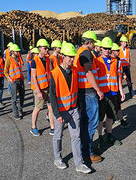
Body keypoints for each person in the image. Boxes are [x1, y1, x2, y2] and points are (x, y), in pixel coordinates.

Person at [50, 42, 91, 174]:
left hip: (73, 109)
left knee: (76, 136)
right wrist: (57, 114)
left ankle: (79, 164)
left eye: (73, 57)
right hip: (61, 111)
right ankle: (57, 158)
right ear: (62, 56)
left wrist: (78, 107)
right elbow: (52, 96)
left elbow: (77, 90)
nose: (72, 59)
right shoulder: (55, 73)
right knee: (58, 135)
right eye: (70, 57)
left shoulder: (74, 70)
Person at [74, 30, 103, 163]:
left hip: (81, 92)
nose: (94, 46)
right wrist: (98, 90)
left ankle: (84, 148)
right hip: (88, 92)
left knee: (85, 122)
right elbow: (88, 73)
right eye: (93, 43)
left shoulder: (79, 52)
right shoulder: (87, 54)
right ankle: (88, 151)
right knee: (93, 121)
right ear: (90, 42)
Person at [96, 37, 125, 149]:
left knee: (111, 117)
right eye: (105, 48)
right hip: (102, 95)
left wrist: (121, 91)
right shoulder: (96, 61)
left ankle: (109, 135)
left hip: (113, 93)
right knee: (100, 118)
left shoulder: (116, 62)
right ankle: (99, 137)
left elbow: (118, 78)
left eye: (109, 49)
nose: (107, 50)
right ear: (101, 49)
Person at [30, 38, 54, 136]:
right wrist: (39, 91)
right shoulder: (34, 61)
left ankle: (52, 127)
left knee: (51, 107)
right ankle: (33, 127)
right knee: (38, 108)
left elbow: (50, 72)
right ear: (39, 49)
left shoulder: (48, 59)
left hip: (48, 87)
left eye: (47, 48)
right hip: (39, 89)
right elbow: (34, 77)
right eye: (45, 48)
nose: (47, 50)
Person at [111, 43, 130, 129]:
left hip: (117, 87)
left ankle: (120, 120)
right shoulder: (111, 61)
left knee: (118, 105)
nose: (119, 52)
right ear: (112, 51)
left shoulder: (118, 60)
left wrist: (124, 76)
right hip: (111, 88)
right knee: (113, 106)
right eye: (117, 50)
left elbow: (120, 73)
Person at [4, 44, 25, 120]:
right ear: (12, 52)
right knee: (14, 99)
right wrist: (10, 79)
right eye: (17, 51)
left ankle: (20, 109)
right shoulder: (8, 59)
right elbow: (5, 72)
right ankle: (16, 114)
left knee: (22, 96)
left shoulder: (18, 58)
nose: (18, 52)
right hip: (14, 81)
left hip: (20, 80)